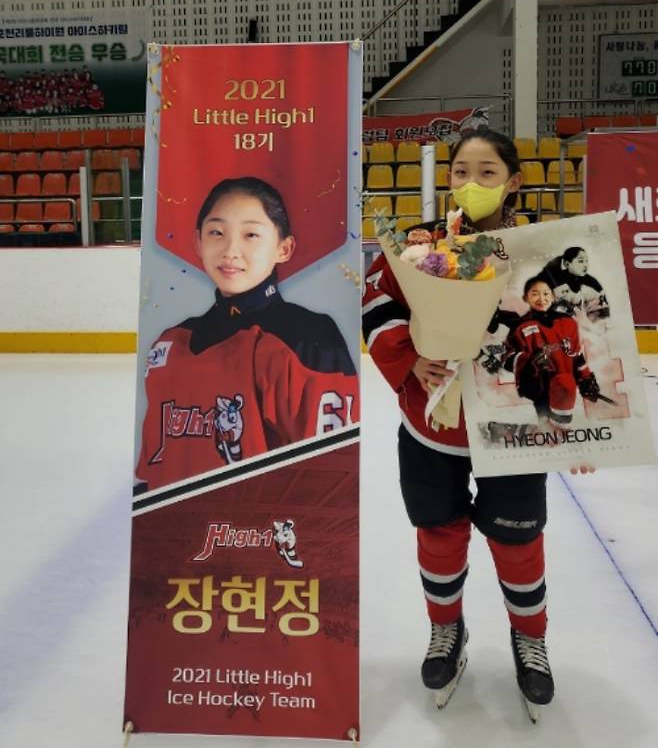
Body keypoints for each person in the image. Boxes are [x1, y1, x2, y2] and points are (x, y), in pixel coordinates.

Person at [362, 128, 593, 720]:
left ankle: (529, 637)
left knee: (517, 537)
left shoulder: (541, 248)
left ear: (513, 181)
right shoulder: (422, 244)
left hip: (510, 427)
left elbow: (576, 335)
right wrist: (407, 353)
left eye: (486, 172)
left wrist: (589, 426)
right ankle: (447, 631)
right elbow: (377, 302)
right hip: (431, 425)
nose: (470, 183)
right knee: (437, 532)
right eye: (460, 171)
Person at [136, 176, 358, 490]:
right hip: (179, 533)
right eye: (216, 232)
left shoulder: (307, 337)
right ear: (198, 242)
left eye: (250, 234)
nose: (230, 250)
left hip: (259, 533)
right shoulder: (169, 343)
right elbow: (153, 471)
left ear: (284, 248)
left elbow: (331, 472)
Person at [503, 276, 601, 432]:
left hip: (565, 386)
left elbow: (576, 355)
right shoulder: (520, 327)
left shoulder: (568, 322)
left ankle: (553, 432)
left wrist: (586, 378)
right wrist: (529, 362)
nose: (541, 298)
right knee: (550, 427)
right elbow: (507, 359)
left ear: (553, 296)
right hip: (539, 387)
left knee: (558, 424)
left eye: (546, 293)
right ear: (525, 298)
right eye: (535, 293)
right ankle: (544, 432)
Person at [540, 246, 609, 321]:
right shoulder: (556, 279)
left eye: (587, 261)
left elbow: (603, 303)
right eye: (581, 261)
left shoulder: (591, 281)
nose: (585, 265)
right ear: (567, 264)